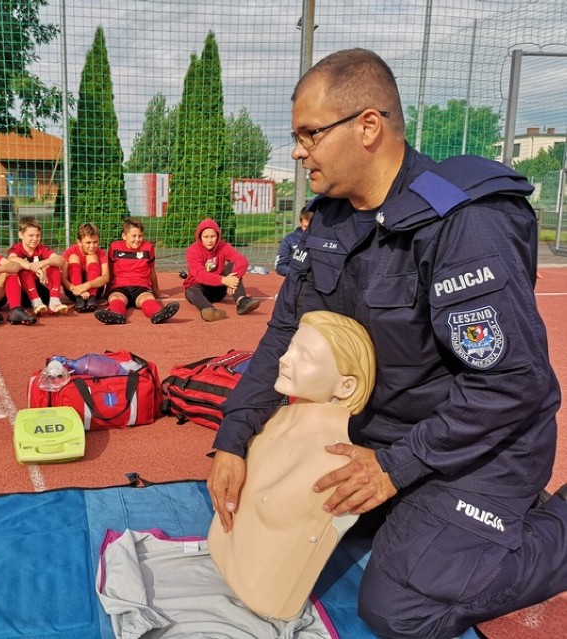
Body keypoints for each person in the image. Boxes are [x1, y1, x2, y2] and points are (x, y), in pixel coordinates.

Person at [207, 48, 566, 639]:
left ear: (368, 126)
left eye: (310, 134)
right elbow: (283, 335)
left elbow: (510, 382)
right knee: (258, 505)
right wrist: (234, 438)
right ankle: (443, 520)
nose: (299, 151)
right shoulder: (328, 220)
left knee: (400, 607)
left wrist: (396, 468)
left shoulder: (463, 222)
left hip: (487, 446)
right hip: (385, 436)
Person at [208, 310, 375, 620]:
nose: (285, 359)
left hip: (268, 596)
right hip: (224, 559)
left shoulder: (337, 468)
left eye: (305, 356)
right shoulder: (272, 421)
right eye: (291, 348)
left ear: (346, 386)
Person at [94, 217, 180, 325]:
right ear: (124, 236)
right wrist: (107, 292)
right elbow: (110, 271)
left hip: (141, 286)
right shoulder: (114, 247)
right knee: (115, 298)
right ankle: (116, 315)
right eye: (133, 236)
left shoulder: (148, 248)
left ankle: (158, 314)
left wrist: (156, 291)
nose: (137, 239)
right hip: (119, 286)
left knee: (148, 298)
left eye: (140, 236)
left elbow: (152, 271)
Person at [183, 218, 260, 322]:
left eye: (213, 236)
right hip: (200, 288)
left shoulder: (224, 246)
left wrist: (234, 278)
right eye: (206, 237)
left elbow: (242, 261)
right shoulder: (193, 250)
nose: (210, 240)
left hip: (219, 289)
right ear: (200, 237)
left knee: (233, 267)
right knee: (191, 291)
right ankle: (208, 310)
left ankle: (242, 301)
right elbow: (200, 275)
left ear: (218, 236)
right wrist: (224, 280)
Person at [7, 216, 67, 317]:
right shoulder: (16, 249)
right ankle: (36, 303)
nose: (35, 239)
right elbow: (11, 259)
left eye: (38, 235)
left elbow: (60, 260)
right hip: (25, 294)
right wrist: (32, 267)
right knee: (23, 269)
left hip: (42, 290)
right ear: (21, 235)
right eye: (31, 235)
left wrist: (41, 264)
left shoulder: (41, 249)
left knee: (53, 266)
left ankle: (54, 301)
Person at [61, 222, 110, 313]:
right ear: (79, 242)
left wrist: (86, 286)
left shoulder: (101, 253)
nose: (92, 246)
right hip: (74, 291)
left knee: (92, 257)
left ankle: (92, 298)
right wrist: (77, 290)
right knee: (73, 257)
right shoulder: (69, 252)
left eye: (95, 242)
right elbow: (63, 279)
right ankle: (79, 299)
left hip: (95, 290)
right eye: (88, 242)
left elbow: (105, 277)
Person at [274, 208, 312, 278]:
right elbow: (280, 266)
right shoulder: (290, 239)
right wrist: (297, 274)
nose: (308, 230)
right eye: (305, 227)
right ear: (301, 223)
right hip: (296, 279)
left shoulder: (324, 240)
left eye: (311, 227)